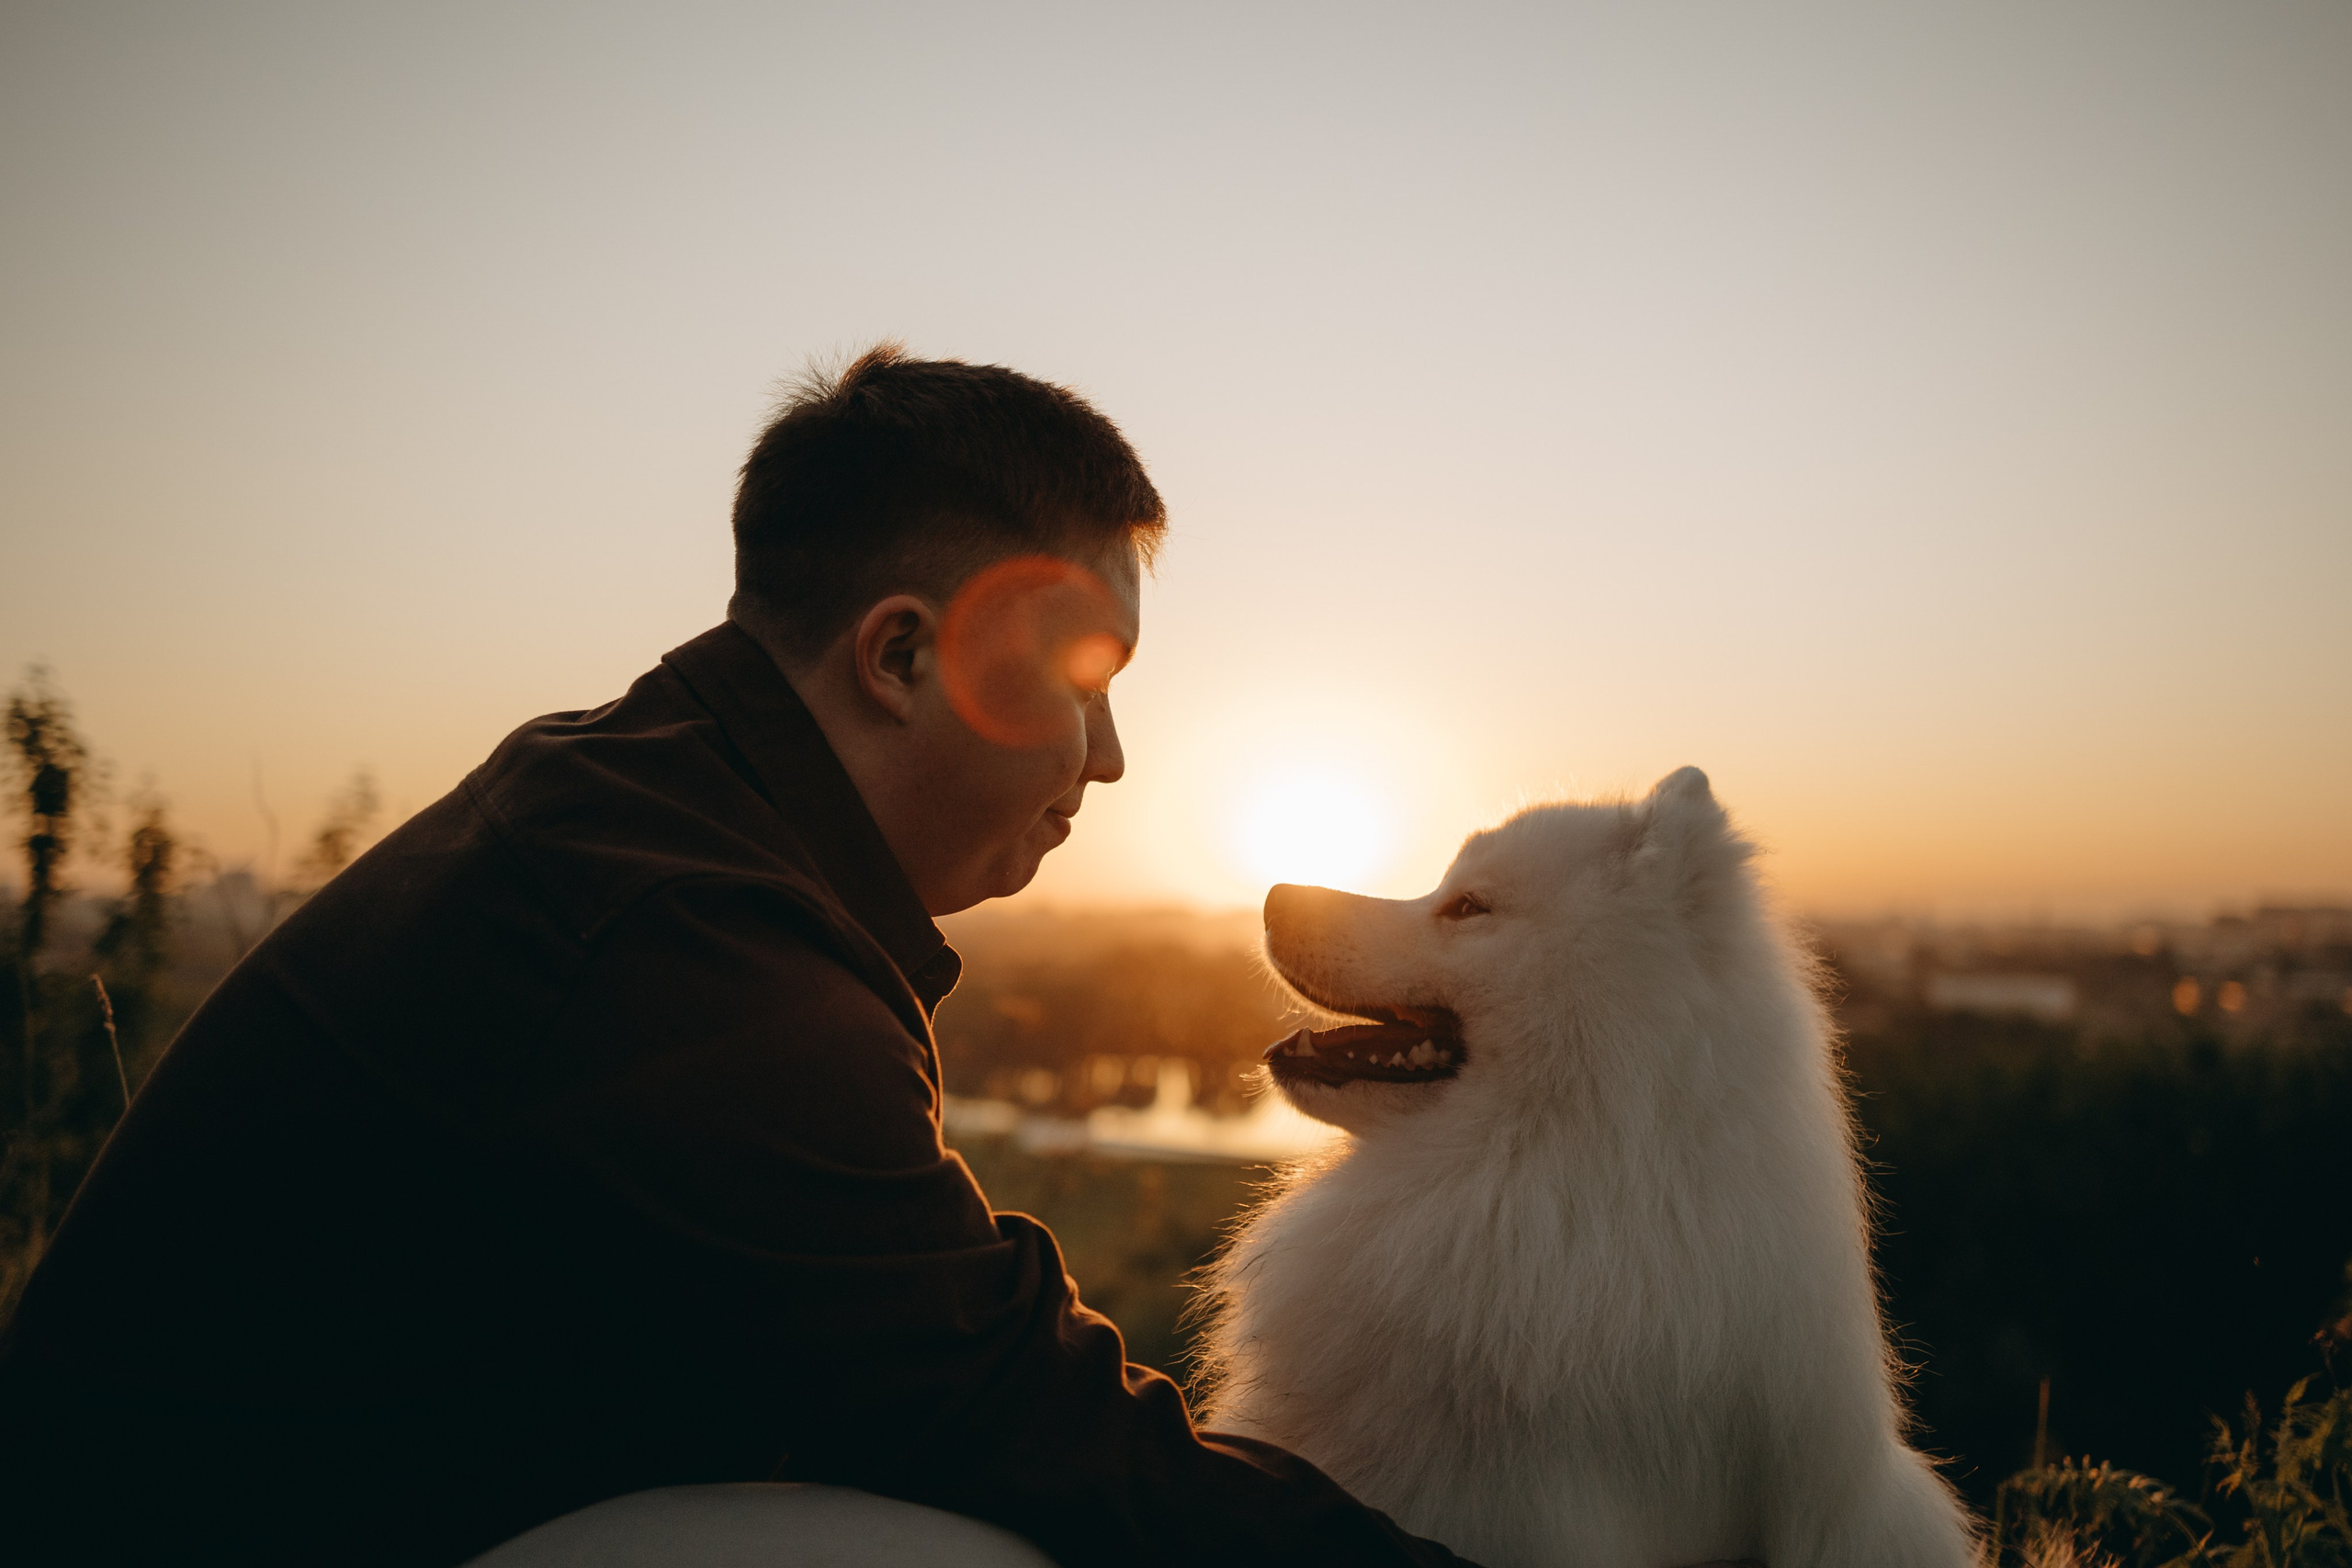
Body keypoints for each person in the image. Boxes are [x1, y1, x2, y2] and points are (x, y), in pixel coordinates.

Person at [0, 347, 1483, 1566]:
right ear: (899, 656)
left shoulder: (638, 809)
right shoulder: (691, 946)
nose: (1107, 757)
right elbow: (1025, 1419)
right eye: (1088, 683)